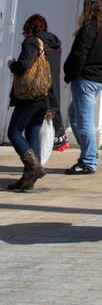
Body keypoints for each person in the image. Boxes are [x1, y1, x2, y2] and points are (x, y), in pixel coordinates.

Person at [63, 0, 102, 175]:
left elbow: (80, 54)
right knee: (74, 115)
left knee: (84, 122)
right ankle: (90, 153)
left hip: (85, 79)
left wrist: (71, 74)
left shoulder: (89, 29)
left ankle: (88, 160)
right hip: (98, 79)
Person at [6, 14, 62, 192]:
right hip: (46, 96)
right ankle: (28, 179)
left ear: (28, 27)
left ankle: (33, 167)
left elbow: (23, 66)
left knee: (14, 132)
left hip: (31, 95)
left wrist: (11, 64)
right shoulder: (54, 46)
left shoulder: (32, 42)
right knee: (33, 131)